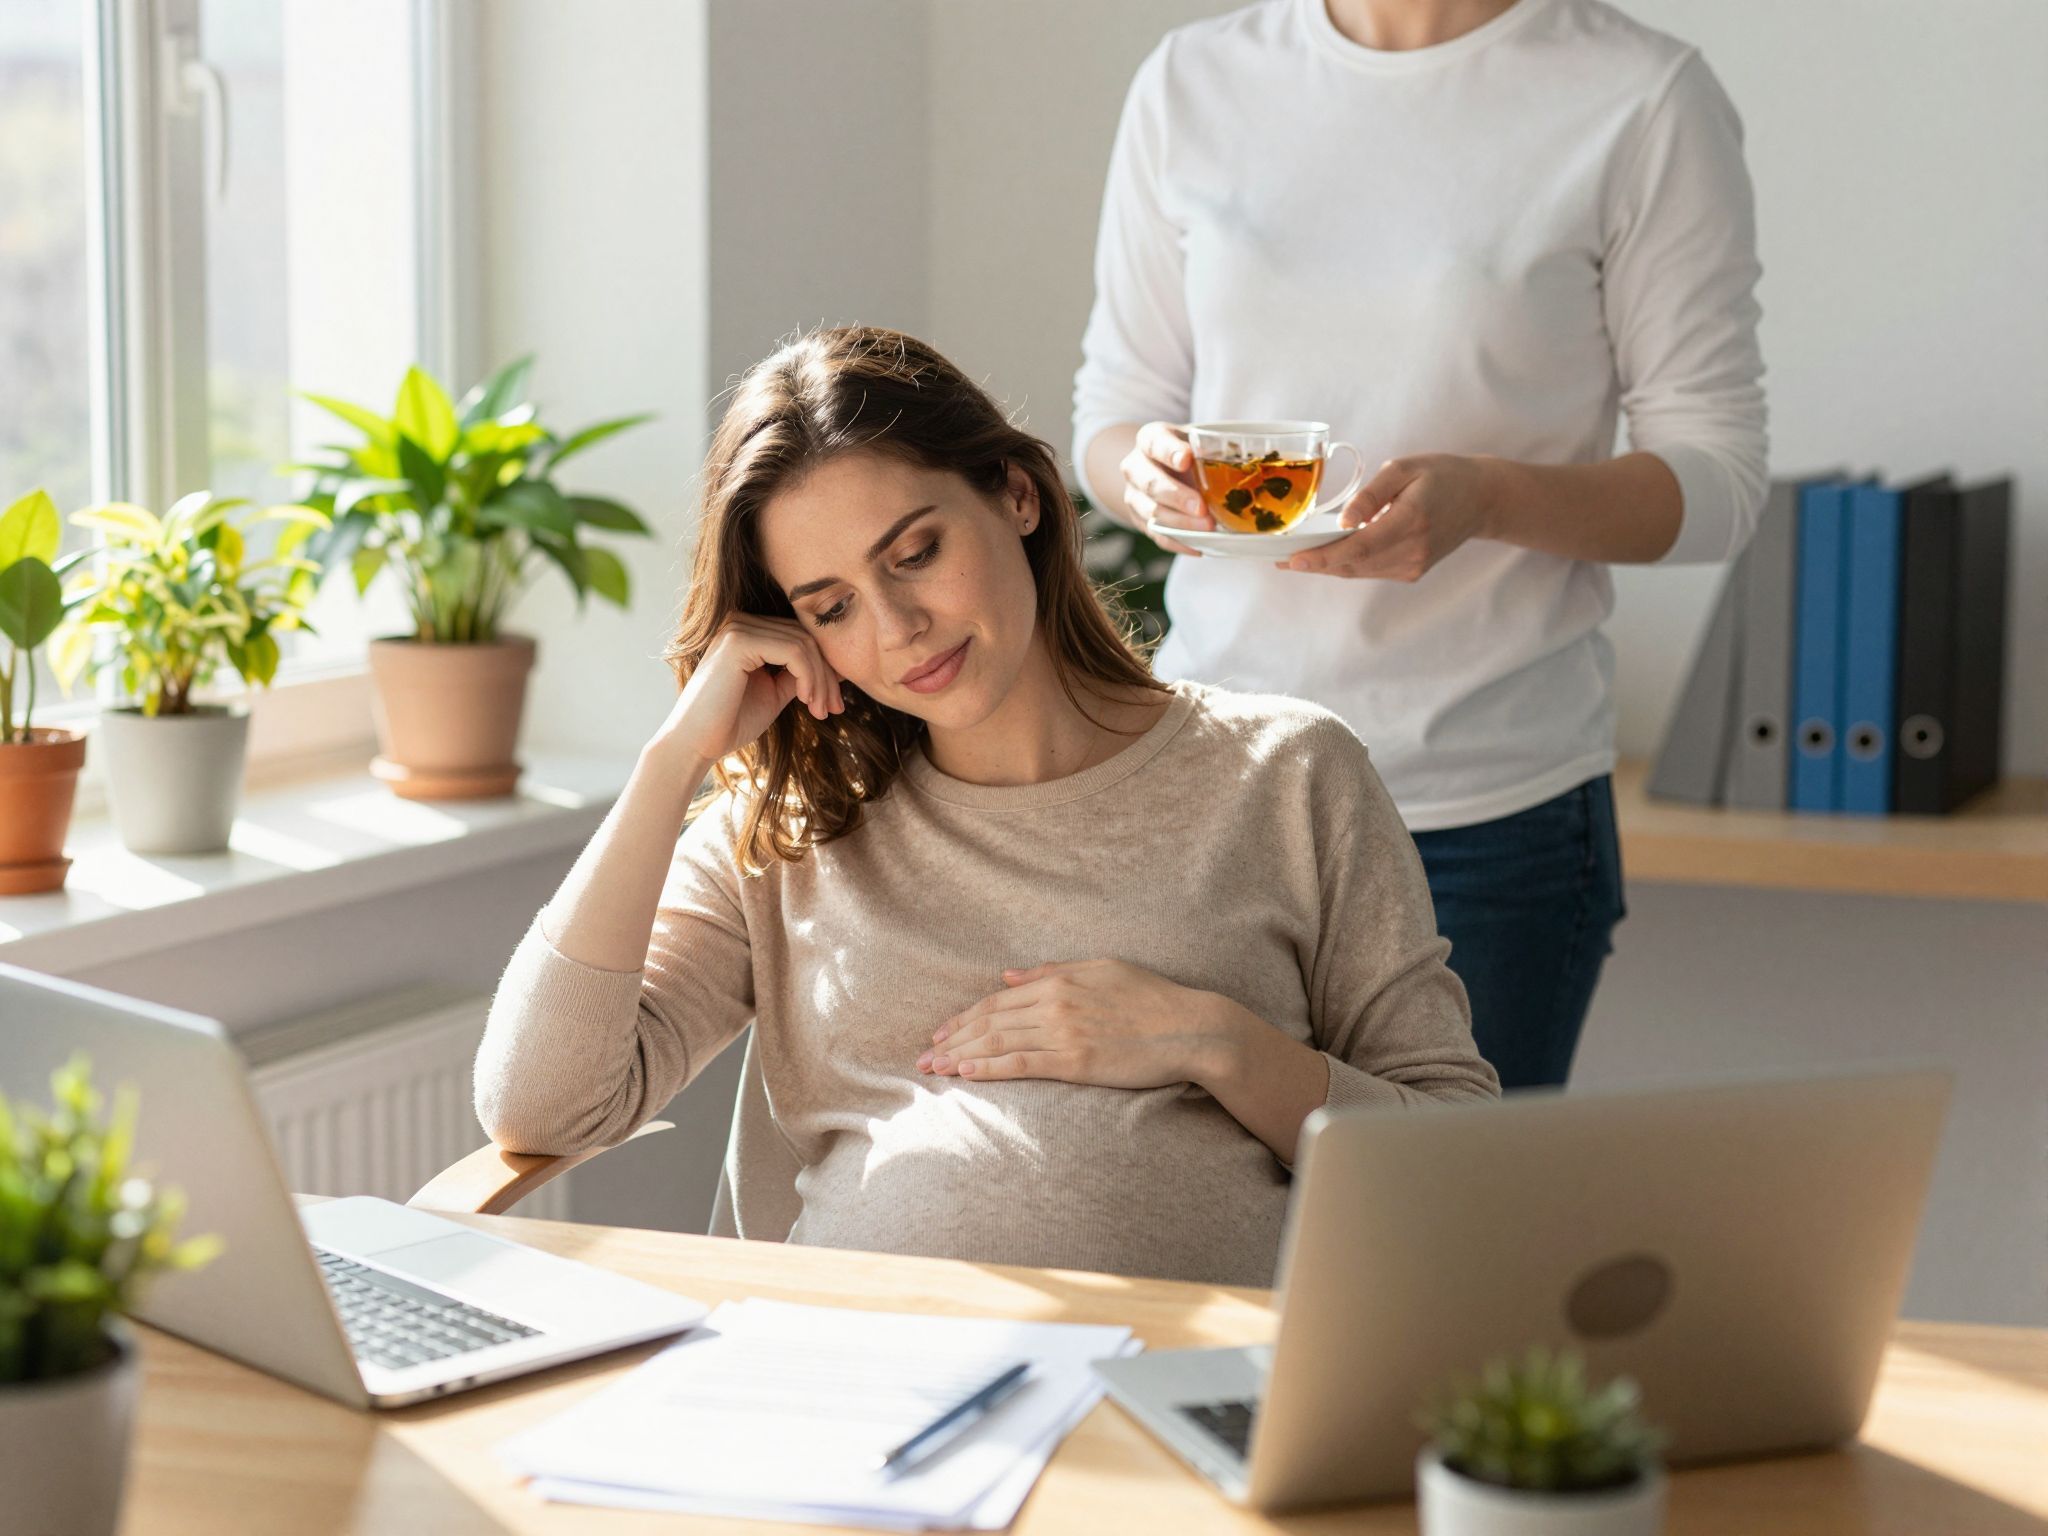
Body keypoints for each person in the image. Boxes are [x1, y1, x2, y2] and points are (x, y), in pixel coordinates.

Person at [475, 326, 1499, 1289]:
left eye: (913, 553)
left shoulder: (1288, 774)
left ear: (1016, 494)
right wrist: (671, 761)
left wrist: (1215, 1044)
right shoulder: (788, 827)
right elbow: (543, 1106)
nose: (898, 628)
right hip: (848, 1394)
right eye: (831, 607)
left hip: (1168, 1408)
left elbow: (1456, 1171)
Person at [1073, 0, 1769, 1090]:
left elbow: (1718, 483)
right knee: (1196, 1237)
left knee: (1439, 1246)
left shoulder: (1638, 97)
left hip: (1482, 814)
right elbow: (1110, 413)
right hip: (1215, 785)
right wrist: (1146, 473)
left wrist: (1485, 499)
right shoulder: (1192, 81)